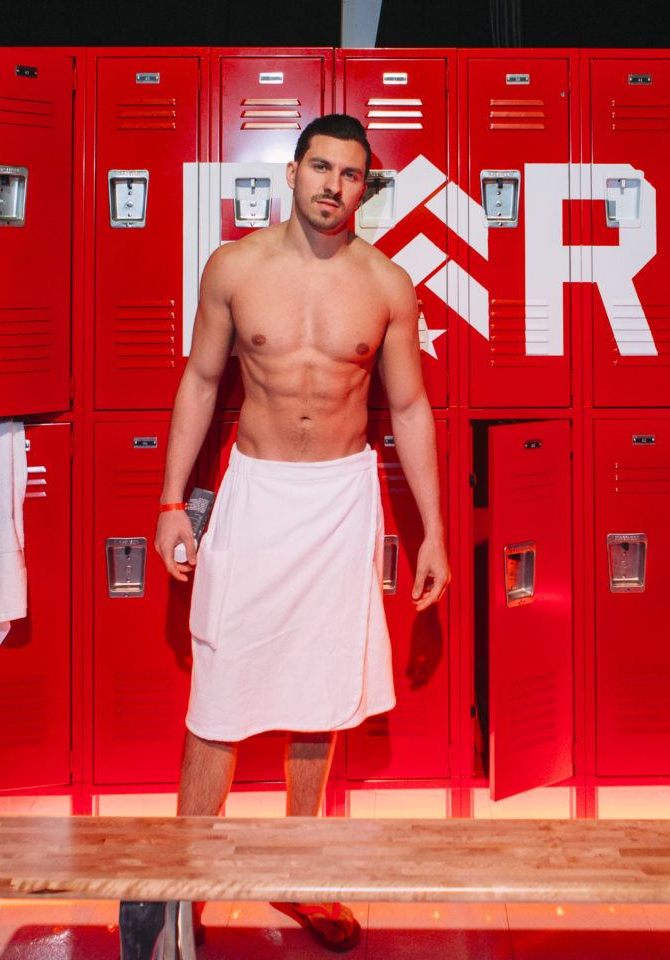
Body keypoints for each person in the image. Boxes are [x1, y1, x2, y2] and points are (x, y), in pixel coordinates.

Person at [152, 113, 449, 951]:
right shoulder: (235, 268)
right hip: (256, 495)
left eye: (350, 175)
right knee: (218, 693)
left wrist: (431, 532)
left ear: (366, 186)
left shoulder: (387, 282)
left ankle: (297, 874)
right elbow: (202, 381)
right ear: (291, 173)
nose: (332, 186)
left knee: (319, 696)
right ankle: (184, 889)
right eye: (320, 168)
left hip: (340, 499)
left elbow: (411, 407)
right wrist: (172, 502)